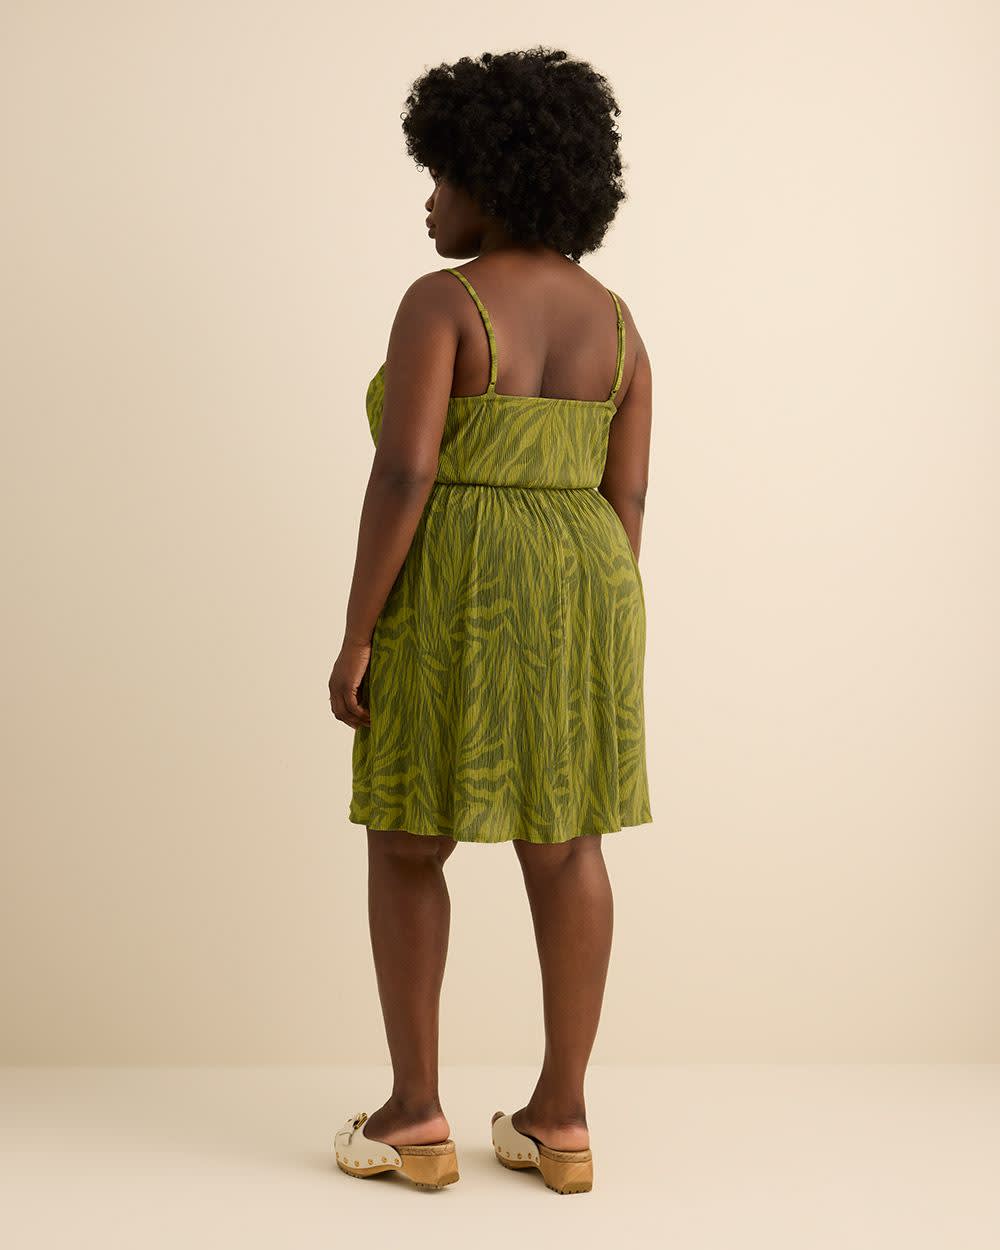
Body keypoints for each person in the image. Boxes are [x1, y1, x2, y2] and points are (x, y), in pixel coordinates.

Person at [328, 47, 652, 1194]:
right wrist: (588, 626)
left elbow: (406, 472)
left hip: (458, 575)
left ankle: (415, 1113)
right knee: (567, 843)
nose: (430, 199)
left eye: (443, 174)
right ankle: (560, 1119)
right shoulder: (619, 324)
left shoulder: (444, 303)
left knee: (408, 835)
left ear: (497, 177)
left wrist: (358, 632)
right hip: (588, 580)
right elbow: (627, 496)